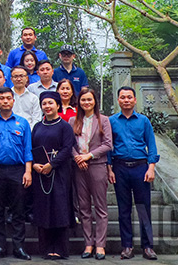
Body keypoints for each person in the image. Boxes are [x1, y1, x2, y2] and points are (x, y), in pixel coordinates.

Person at [108, 86, 159, 261]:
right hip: (120, 167)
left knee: (144, 208)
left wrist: (151, 167)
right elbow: (108, 146)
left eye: (129, 97)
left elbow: (151, 145)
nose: (126, 100)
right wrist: (109, 169)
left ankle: (148, 247)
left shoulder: (143, 121)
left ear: (135, 100)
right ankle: (127, 246)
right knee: (124, 209)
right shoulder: (112, 121)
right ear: (118, 100)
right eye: (123, 97)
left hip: (140, 167)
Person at [0, 87, 33, 261]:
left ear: (13, 101)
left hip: (17, 170)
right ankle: (0, 246)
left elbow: (27, 149)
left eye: (8, 98)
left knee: (18, 210)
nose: (5, 101)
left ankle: (18, 247)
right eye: (2, 98)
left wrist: (28, 171)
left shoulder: (22, 123)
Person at [31, 92, 76, 260]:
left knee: (59, 209)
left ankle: (60, 248)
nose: (47, 106)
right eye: (44, 104)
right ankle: (45, 247)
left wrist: (52, 164)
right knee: (44, 210)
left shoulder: (65, 126)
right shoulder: (37, 126)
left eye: (51, 103)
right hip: (40, 173)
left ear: (58, 105)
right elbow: (32, 147)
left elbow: (67, 148)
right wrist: (35, 164)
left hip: (60, 173)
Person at [71, 87, 113, 260]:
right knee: (84, 208)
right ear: (79, 102)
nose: (86, 102)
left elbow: (108, 144)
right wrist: (77, 158)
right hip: (79, 168)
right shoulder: (73, 120)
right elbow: (69, 144)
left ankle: (100, 245)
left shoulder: (103, 120)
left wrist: (89, 155)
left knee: (101, 208)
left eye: (89, 99)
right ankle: (88, 243)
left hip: (97, 165)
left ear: (94, 101)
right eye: (83, 100)